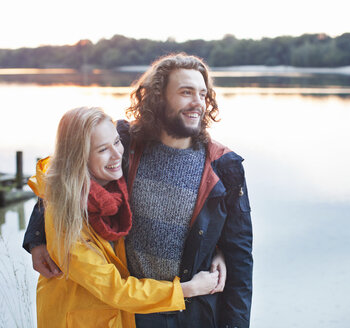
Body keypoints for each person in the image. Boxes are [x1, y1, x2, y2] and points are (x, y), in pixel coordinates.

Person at [24, 53, 253, 328]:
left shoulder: (225, 166)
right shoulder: (125, 143)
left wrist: (218, 254)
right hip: (133, 313)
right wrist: (37, 236)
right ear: (158, 97)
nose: (197, 103)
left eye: (203, 94)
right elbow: (63, 171)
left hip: (196, 312)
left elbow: (240, 258)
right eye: (185, 92)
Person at [29, 107, 219, 328]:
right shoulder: (65, 218)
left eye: (117, 142)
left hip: (114, 318)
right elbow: (115, 288)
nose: (117, 154)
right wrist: (188, 289)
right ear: (78, 157)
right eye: (102, 150)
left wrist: (217, 250)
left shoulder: (112, 188)